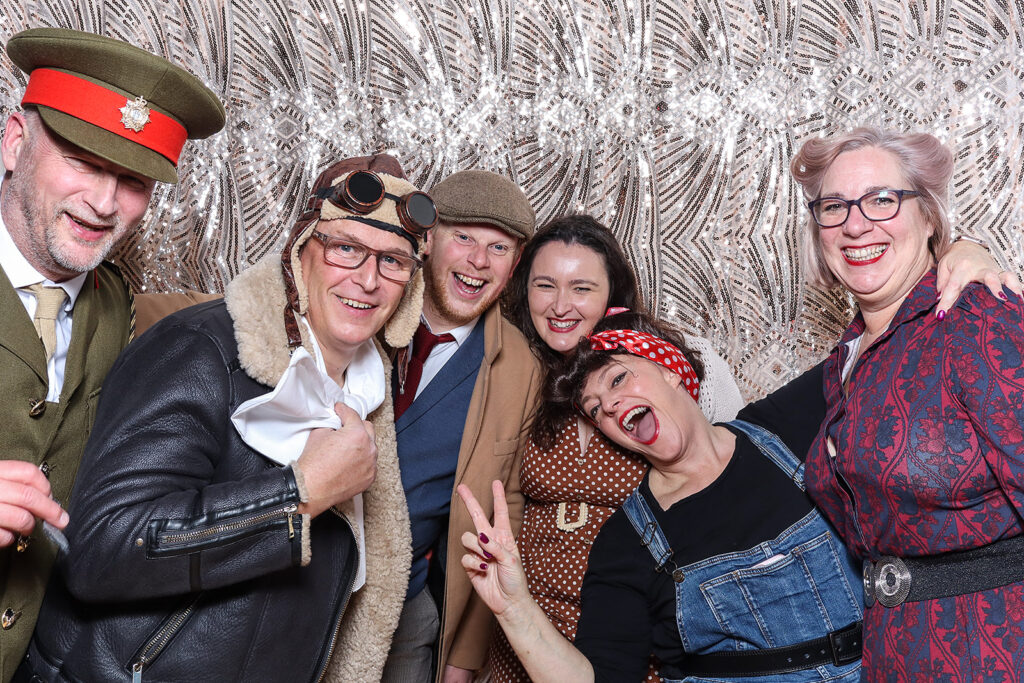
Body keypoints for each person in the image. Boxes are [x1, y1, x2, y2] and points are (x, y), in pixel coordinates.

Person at [21, 154, 429, 682]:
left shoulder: (370, 393)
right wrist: (297, 494)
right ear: (301, 252)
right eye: (347, 249)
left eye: (393, 261)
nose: (368, 279)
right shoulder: (201, 351)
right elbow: (104, 548)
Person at [458, 311, 866, 682]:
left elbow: (885, 346)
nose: (611, 406)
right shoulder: (626, 541)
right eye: (596, 410)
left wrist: (933, 267)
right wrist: (515, 609)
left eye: (617, 380)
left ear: (670, 369)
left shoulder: (785, 424)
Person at [0, 27, 224, 679]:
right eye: (84, 160)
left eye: (133, 179)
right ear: (14, 142)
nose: (104, 204)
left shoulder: (114, 303)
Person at [792, 128, 1024, 682]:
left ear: (929, 217)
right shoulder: (845, 361)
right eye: (834, 206)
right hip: (893, 654)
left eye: (881, 199)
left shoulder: (974, 318)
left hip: (991, 651)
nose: (855, 223)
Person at [491, 215, 744, 682]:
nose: (561, 306)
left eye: (582, 288)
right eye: (545, 285)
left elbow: (735, 476)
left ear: (612, 293)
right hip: (526, 638)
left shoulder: (681, 362)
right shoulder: (518, 371)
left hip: (637, 644)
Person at [382, 169, 542, 683]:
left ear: (515, 264)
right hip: (297, 585)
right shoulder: (361, 303)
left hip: (404, 610)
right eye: (465, 236)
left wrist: (461, 661)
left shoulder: (520, 368)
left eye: (499, 248)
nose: (478, 261)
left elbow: (504, 519)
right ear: (427, 240)